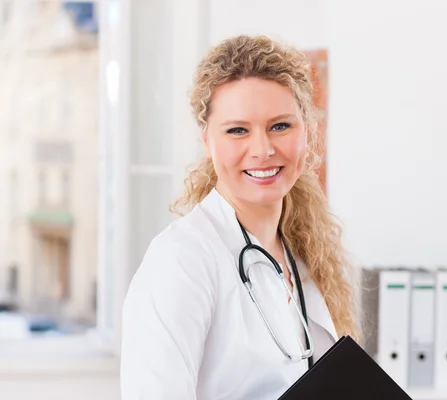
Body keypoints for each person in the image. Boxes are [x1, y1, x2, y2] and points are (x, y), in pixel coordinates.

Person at [120, 34, 361, 400]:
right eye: (237, 131)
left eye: (280, 126)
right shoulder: (181, 260)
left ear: (307, 131)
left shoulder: (304, 252)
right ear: (207, 142)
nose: (263, 150)